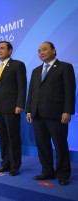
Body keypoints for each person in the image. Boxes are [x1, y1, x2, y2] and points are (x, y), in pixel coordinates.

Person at [26, 42, 76, 185]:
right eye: (39, 51)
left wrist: (67, 111)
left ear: (54, 51)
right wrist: (29, 109)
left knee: (60, 145)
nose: (41, 52)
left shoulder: (65, 67)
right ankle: (47, 171)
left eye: (45, 49)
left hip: (57, 114)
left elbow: (69, 91)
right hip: (37, 114)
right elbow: (31, 93)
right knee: (42, 145)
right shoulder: (36, 71)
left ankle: (63, 174)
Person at [0, 41, 27, 176]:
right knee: (2, 137)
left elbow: (22, 87)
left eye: (2, 48)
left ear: (10, 50)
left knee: (13, 137)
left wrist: (20, 104)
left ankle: (15, 165)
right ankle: (5, 163)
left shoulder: (18, 65)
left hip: (12, 108)